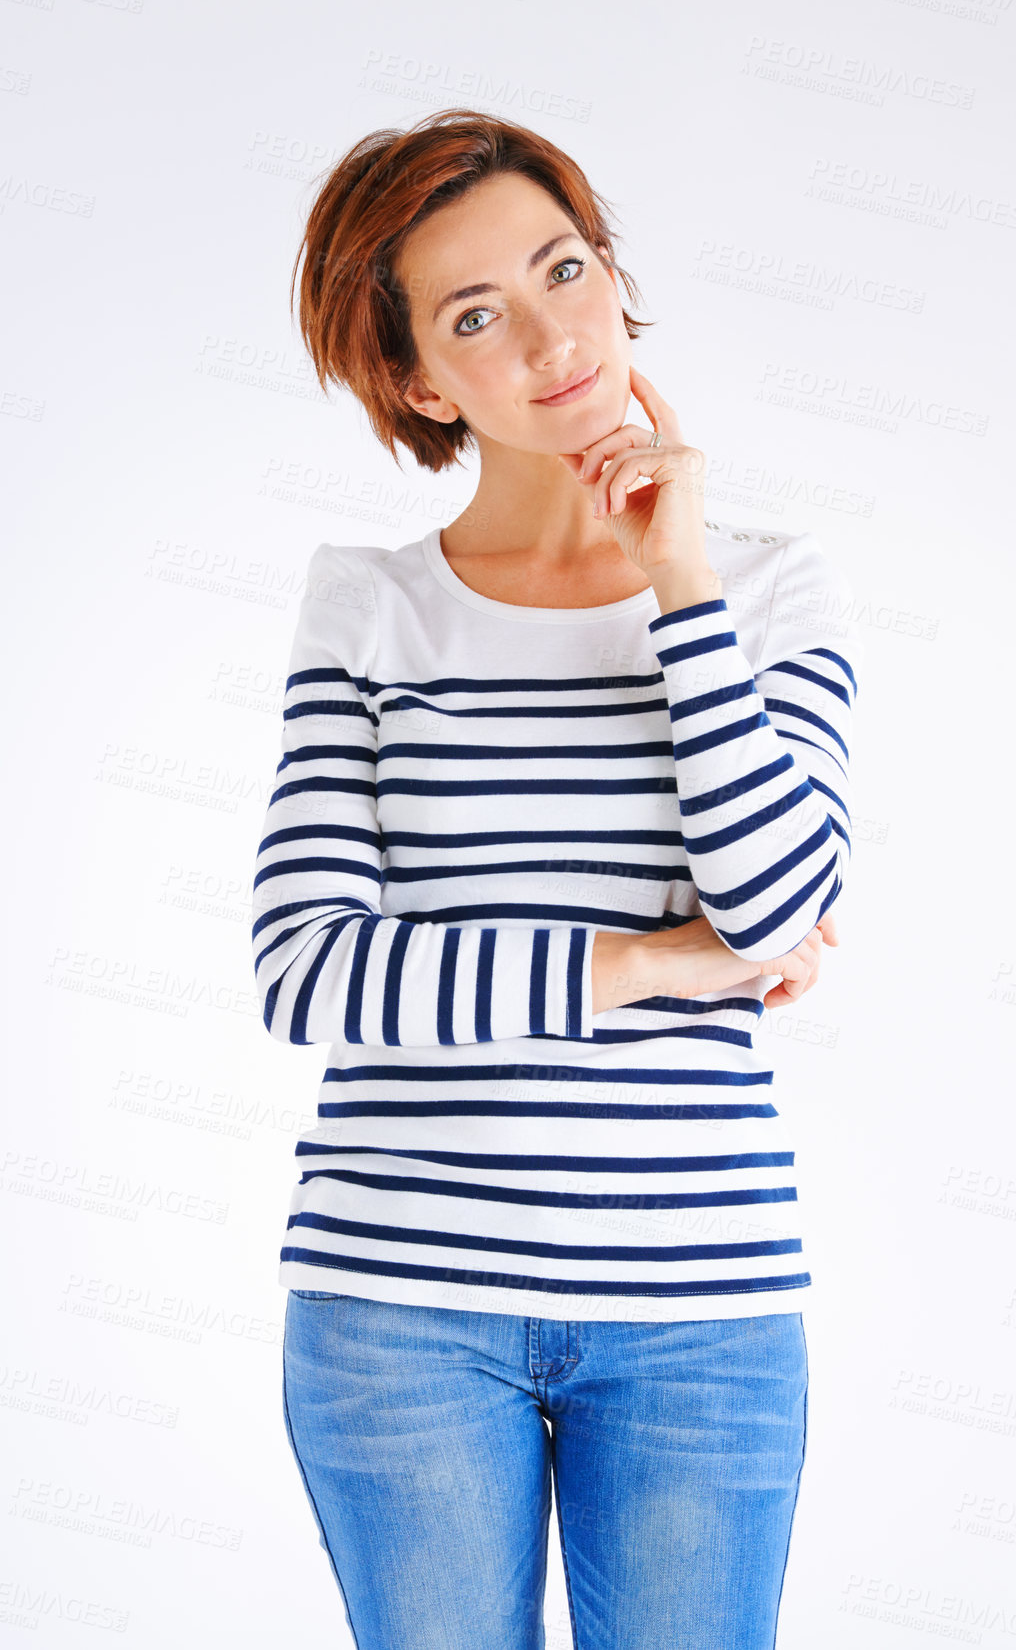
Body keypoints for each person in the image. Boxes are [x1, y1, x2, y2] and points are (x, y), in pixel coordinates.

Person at [251, 109, 862, 1650]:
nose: (551, 335)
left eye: (564, 269)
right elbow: (308, 974)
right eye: (476, 316)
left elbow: (779, 912)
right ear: (414, 380)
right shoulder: (369, 608)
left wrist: (679, 586)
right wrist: (648, 965)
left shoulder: (764, 588)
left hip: (700, 1313)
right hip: (398, 1309)